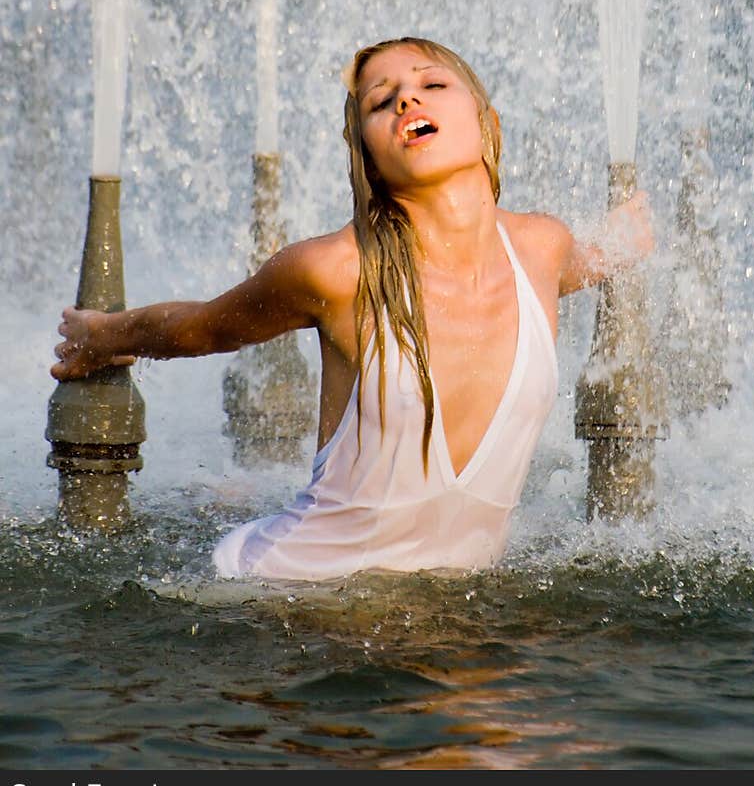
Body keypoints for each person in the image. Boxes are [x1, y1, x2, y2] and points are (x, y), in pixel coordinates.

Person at [51, 36, 654, 581]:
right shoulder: (340, 272)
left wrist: (629, 239)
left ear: (487, 125)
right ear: (366, 156)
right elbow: (207, 327)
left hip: (442, 622)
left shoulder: (539, 251)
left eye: (432, 85)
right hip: (288, 600)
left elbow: (587, 261)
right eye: (380, 100)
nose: (406, 102)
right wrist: (102, 335)